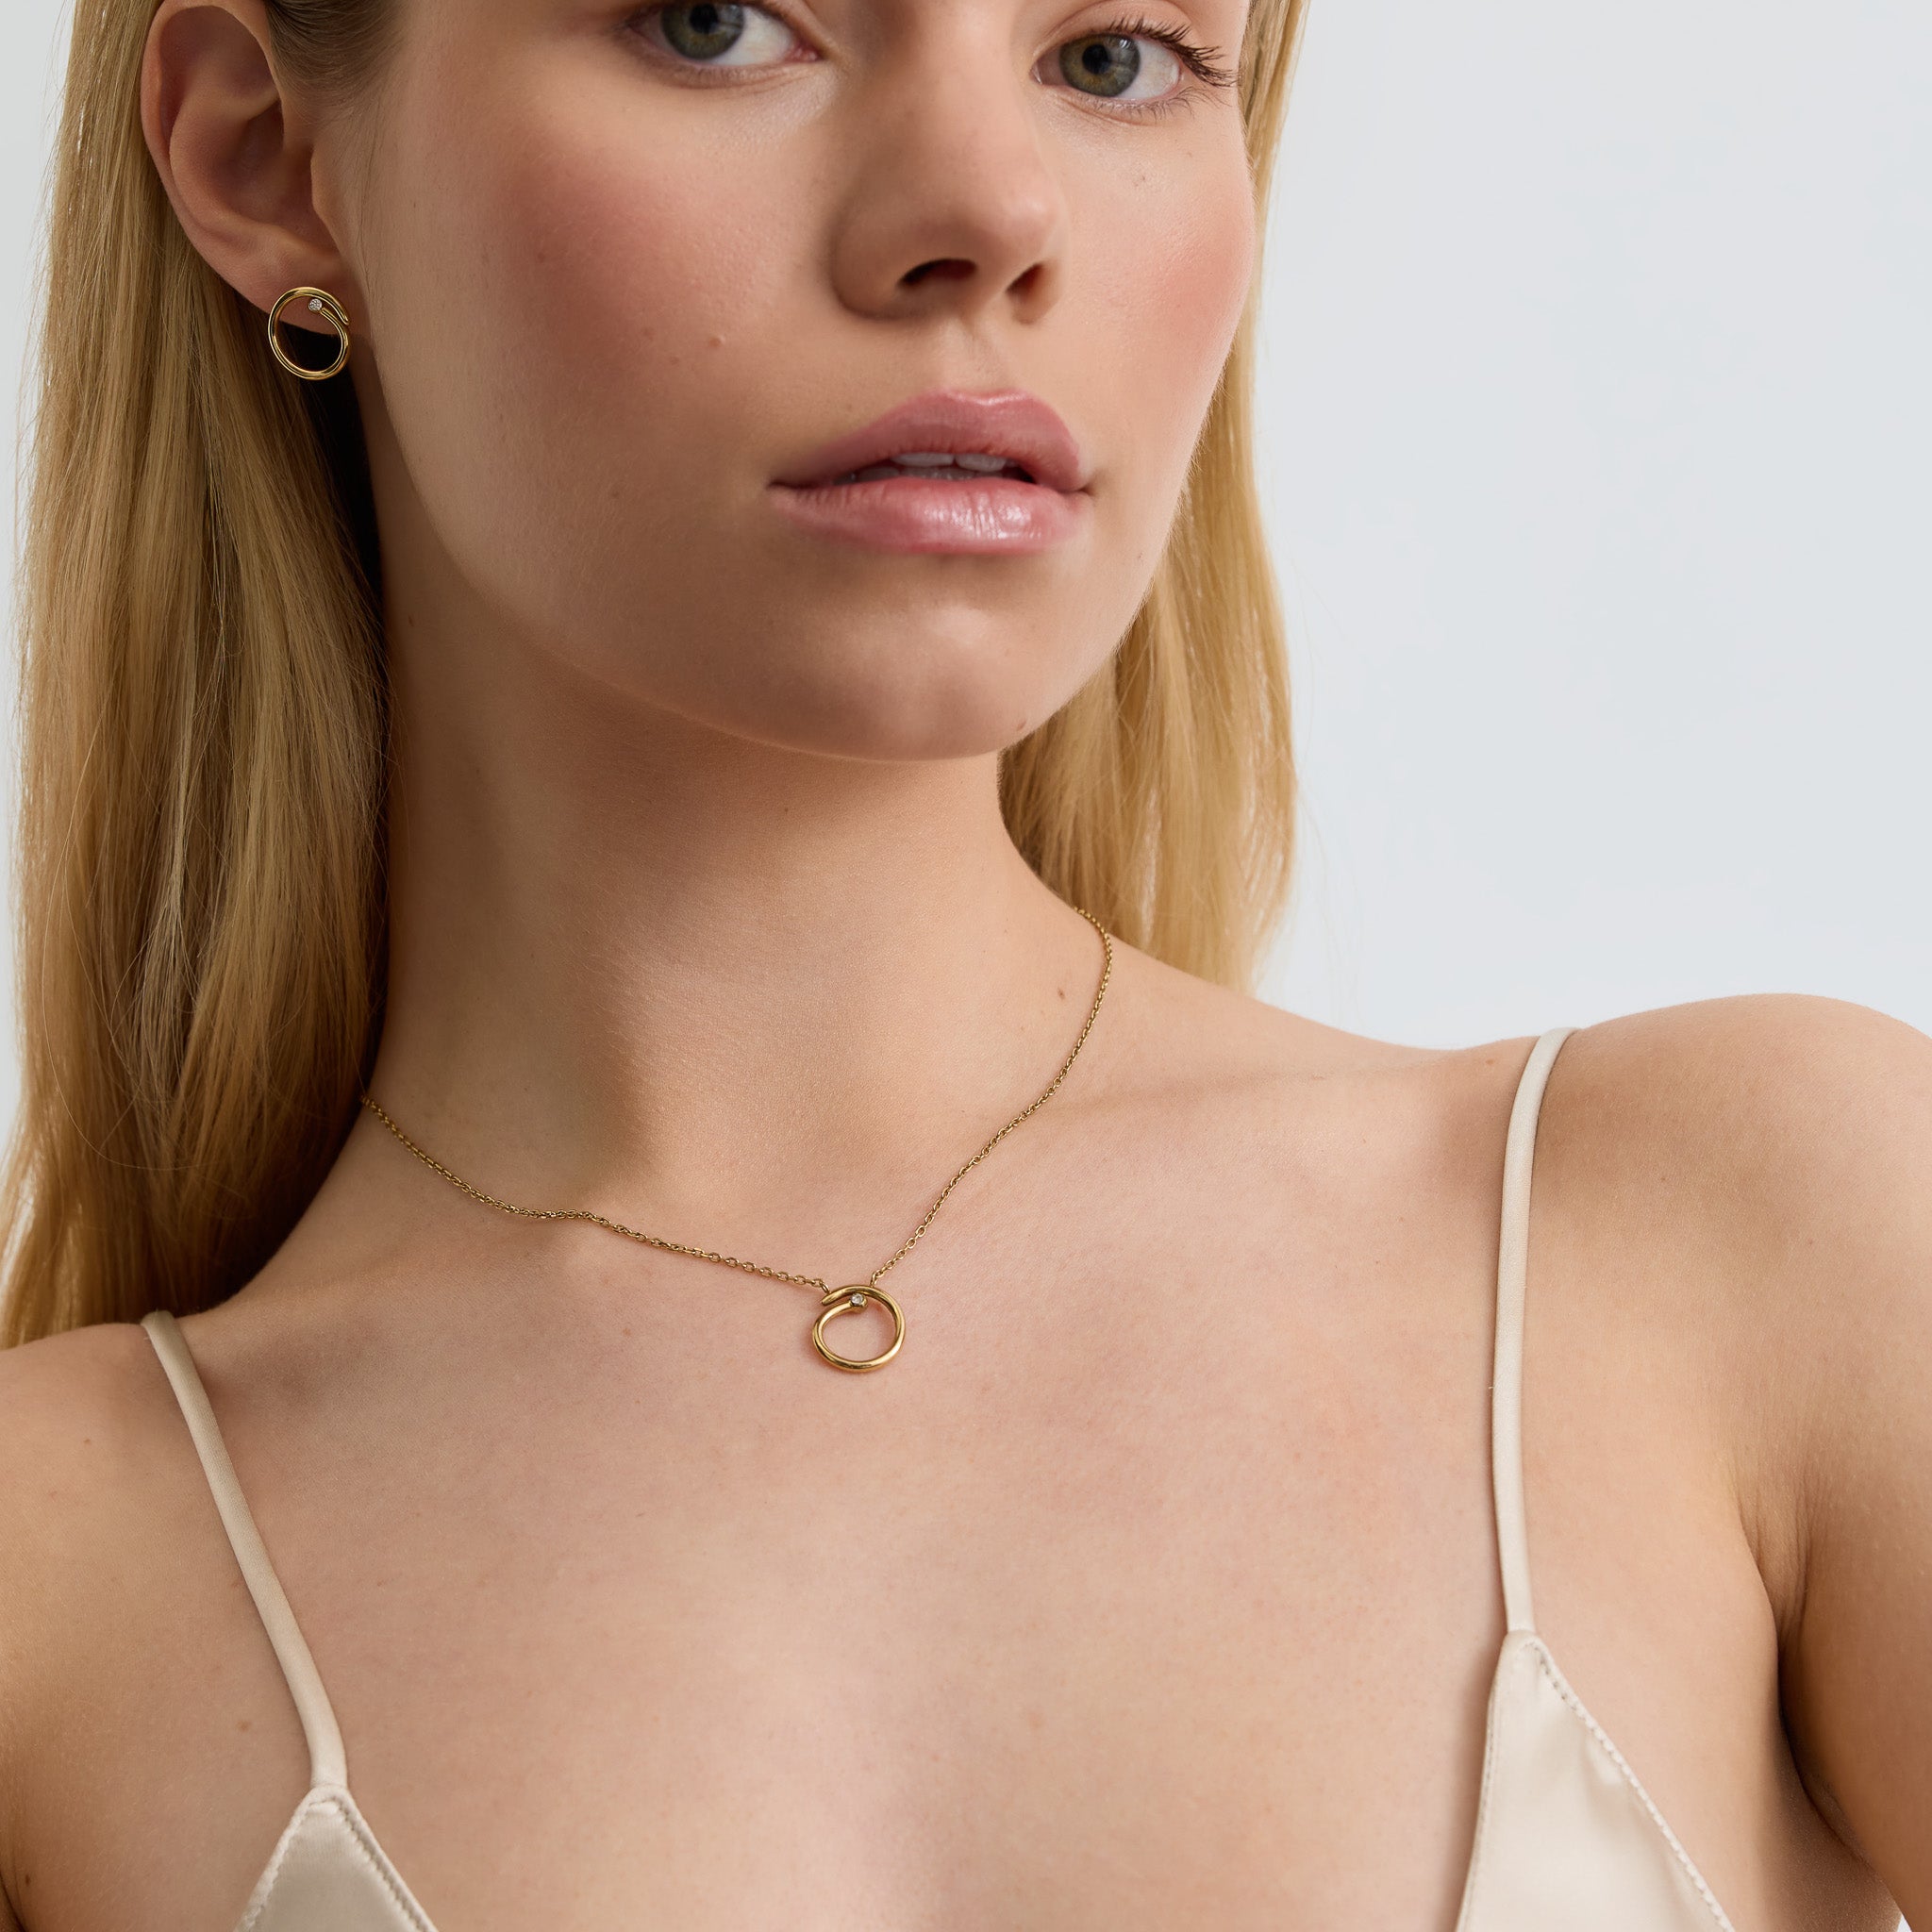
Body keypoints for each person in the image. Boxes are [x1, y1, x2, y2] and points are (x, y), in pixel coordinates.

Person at [0, 0, 1924, 1925]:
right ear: (264, 155)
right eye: (717, 23)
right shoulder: (56, 1594)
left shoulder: (1754, 1252)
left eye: (1113, 56)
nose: (991, 214)